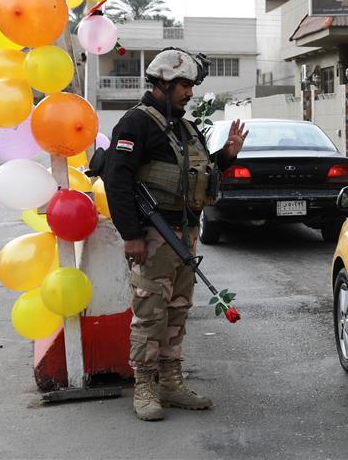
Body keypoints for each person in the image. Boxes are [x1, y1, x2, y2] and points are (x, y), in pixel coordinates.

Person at [103, 48, 247, 421]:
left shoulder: (184, 126)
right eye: (184, 85)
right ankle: (145, 386)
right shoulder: (136, 123)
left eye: (190, 85)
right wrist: (131, 235)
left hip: (185, 233)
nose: (189, 93)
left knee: (177, 312)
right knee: (150, 313)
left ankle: (170, 381)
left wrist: (227, 157)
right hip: (153, 234)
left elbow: (198, 173)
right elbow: (117, 180)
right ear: (162, 83)